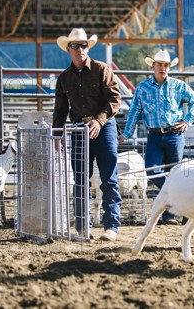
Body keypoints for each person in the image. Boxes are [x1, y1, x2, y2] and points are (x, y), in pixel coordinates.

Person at [52, 28, 122, 241]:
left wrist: (99, 120)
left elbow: (114, 100)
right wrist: (57, 134)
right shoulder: (64, 79)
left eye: (83, 45)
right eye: (75, 46)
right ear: (68, 49)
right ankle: (84, 226)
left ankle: (111, 226)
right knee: (80, 179)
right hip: (79, 130)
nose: (80, 49)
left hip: (104, 127)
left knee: (108, 177)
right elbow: (61, 109)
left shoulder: (102, 69)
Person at [120, 49, 194, 225]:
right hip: (155, 135)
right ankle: (182, 203)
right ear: (153, 66)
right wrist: (126, 133)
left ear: (168, 67)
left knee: (176, 172)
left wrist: (187, 120)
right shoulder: (143, 88)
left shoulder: (178, 86)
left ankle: (171, 213)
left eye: (166, 65)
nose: (162, 68)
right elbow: (134, 111)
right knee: (152, 171)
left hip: (175, 134)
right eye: (159, 65)